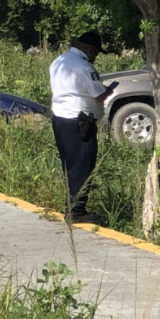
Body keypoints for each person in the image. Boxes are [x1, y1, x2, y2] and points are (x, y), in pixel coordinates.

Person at [49, 31, 116, 225]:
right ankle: (77, 212)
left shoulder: (59, 61)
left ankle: (71, 206)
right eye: (95, 52)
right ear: (88, 49)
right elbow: (98, 95)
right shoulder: (84, 66)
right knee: (83, 166)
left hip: (60, 119)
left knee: (70, 165)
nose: (95, 57)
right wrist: (109, 90)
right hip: (81, 121)